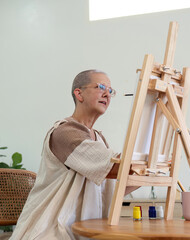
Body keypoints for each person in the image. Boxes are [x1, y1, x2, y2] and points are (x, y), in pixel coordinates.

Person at [9, 69, 120, 240]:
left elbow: (109, 185)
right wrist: (144, 163)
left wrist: (150, 173)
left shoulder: (99, 139)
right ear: (79, 93)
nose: (107, 94)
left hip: (82, 229)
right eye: (101, 87)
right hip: (49, 228)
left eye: (110, 90)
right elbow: (115, 169)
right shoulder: (65, 132)